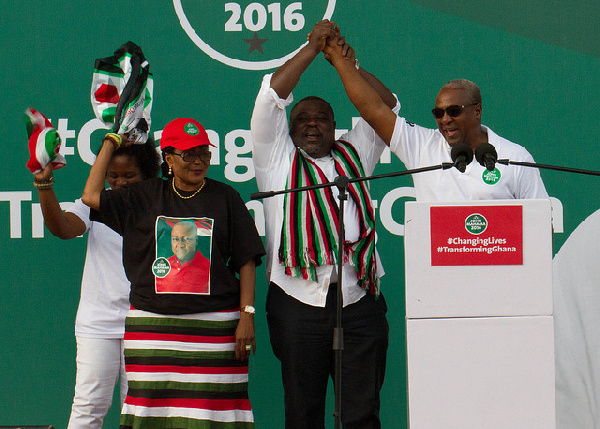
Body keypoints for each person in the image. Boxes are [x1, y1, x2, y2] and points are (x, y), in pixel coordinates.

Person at [250, 20, 398, 428]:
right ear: (291, 128)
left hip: (360, 297)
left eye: (322, 118)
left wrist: (344, 64)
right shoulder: (275, 158)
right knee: (304, 411)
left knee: (362, 412)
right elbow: (269, 99)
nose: (312, 124)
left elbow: (388, 107)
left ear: (336, 127)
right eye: (303, 119)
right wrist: (313, 48)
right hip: (298, 300)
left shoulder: (355, 153)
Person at [81, 118, 265, 428]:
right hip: (153, 327)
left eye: (204, 153)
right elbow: (90, 196)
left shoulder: (226, 197)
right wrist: (111, 141)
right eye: (188, 154)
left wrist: (247, 315)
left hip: (216, 330)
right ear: (167, 158)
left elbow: (247, 258)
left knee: (214, 416)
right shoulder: (143, 195)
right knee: (153, 416)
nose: (198, 161)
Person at [322, 36, 548, 201]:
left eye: (454, 111)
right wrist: (345, 65)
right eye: (438, 113)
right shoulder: (422, 145)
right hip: (437, 267)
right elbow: (374, 110)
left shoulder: (515, 157)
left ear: (477, 111)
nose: (445, 119)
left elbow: (540, 229)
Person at [32, 140, 160, 428]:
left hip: (145, 321)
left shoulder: (161, 206)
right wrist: (45, 186)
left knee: (140, 413)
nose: (119, 183)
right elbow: (62, 229)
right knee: (88, 407)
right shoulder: (93, 205)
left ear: (148, 177)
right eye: (113, 176)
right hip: (98, 323)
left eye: (129, 176)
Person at [155, 219, 210, 294]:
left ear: (196, 241)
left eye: (186, 239)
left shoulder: (209, 267)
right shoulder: (163, 266)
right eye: (175, 239)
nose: (180, 245)